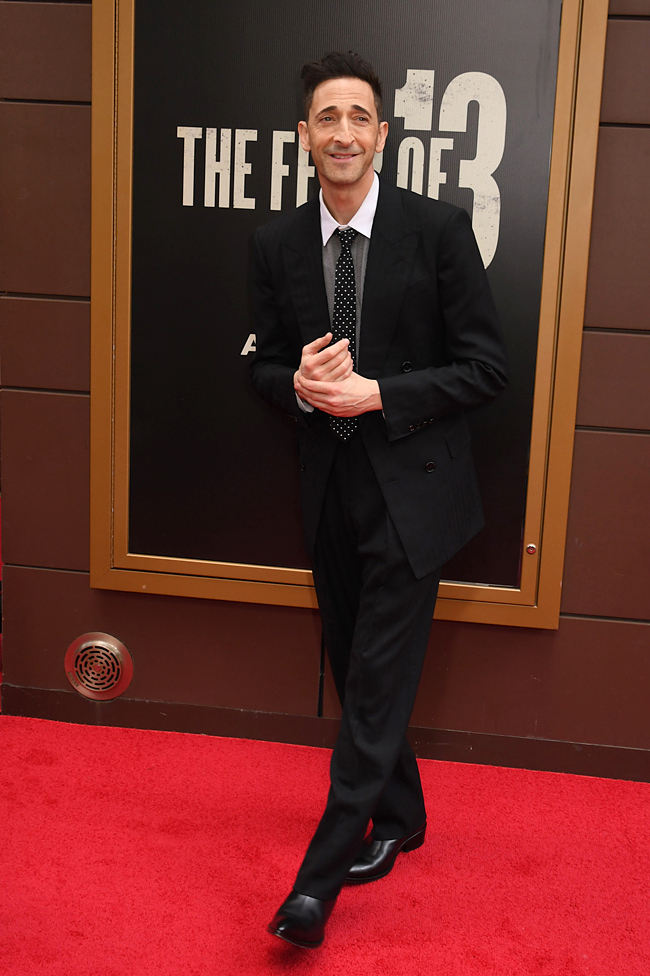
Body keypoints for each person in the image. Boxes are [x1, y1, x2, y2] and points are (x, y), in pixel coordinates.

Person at [250, 51, 507, 948]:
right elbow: (260, 364)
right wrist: (298, 385)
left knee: (369, 684)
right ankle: (401, 817)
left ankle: (317, 881)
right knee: (364, 662)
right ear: (304, 136)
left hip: (415, 493)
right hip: (328, 490)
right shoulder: (277, 243)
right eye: (328, 117)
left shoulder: (438, 230)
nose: (344, 133)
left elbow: (486, 368)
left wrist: (378, 395)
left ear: (382, 134)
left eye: (359, 117)